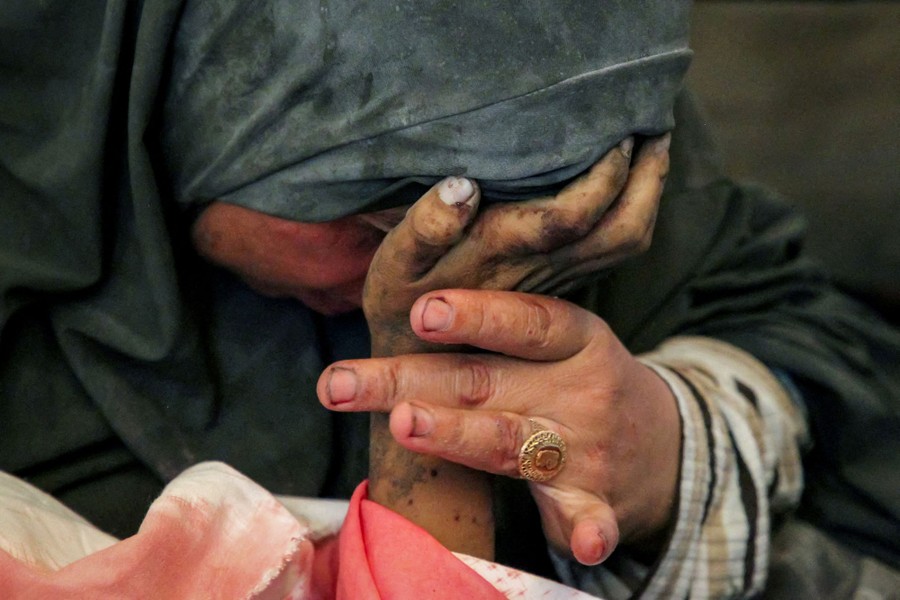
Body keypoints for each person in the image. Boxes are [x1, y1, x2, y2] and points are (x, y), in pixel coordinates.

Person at [1, 1, 898, 598]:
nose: (441, 288)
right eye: (378, 226)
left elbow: (814, 347)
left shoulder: (561, 66)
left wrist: (669, 442)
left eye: (540, 240)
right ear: (173, 103)